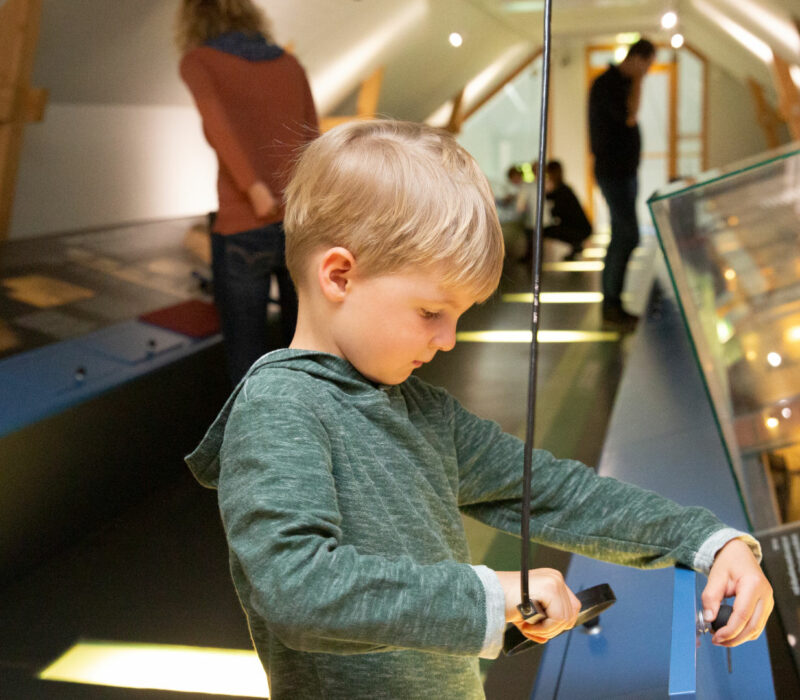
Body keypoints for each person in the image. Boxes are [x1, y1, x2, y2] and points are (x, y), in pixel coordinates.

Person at [185, 120, 773, 700]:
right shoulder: (279, 407)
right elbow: (296, 588)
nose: (448, 340)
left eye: (458, 316)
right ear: (340, 275)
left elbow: (556, 492)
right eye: (430, 312)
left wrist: (707, 540)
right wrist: (491, 596)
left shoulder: (422, 410)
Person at [177, 0, 319, 384]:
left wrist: (253, 188)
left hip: (244, 224)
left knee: (246, 358)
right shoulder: (290, 64)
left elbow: (218, 128)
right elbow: (312, 137)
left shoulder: (198, 62)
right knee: (305, 353)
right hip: (297, 222)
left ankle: (258, 425)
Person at [589, 38, 655, 328]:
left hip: (624, 172)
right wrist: (638, 81)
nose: (648, 71)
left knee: (624, 234)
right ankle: (611, 304)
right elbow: (629, 116)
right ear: (637, 59)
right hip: (613, 172)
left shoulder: (620, 83)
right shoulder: (608, 85)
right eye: (647, 65)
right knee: (627, 235)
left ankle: (614, 304)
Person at [543, 160, 592, 261]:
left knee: (544, 231)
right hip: (580, 228)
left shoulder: (562, 191)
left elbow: (557, 212)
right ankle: (576, 246)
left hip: (579, 229)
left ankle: (576, 245)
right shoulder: (564, 189)